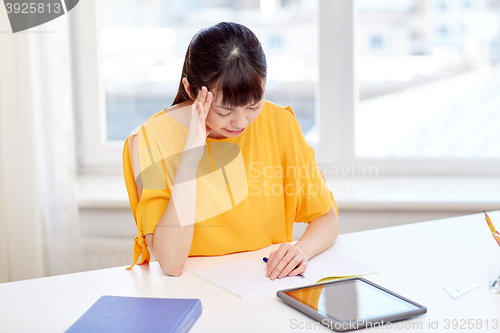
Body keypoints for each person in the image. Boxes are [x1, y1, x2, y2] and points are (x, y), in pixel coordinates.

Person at [123, 22, 339, 279]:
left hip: (265, 287)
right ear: (192, 90)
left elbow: (326, 217)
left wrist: (301, 251)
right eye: (225, 111)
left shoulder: (279, 123)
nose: (241, 123)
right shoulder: (151, 139)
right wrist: (191, 157)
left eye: (253, 106)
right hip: (193, 293)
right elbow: (170, 263)